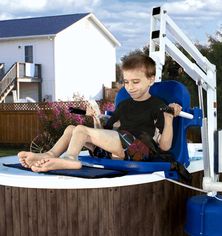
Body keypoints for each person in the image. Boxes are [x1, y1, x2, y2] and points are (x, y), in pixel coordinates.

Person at [18, 54, 182, 172]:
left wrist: (168, 119)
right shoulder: (124, 105)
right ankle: (50, 154)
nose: (130, 87)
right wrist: (94, 118)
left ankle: (70, 159)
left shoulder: (158, 106)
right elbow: (106, 133)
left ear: (151, 79)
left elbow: (165, 146)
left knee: (82, 130)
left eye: (136, 82)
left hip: (139, 152)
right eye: (126, 82)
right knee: (72, 129)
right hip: (117, 150)